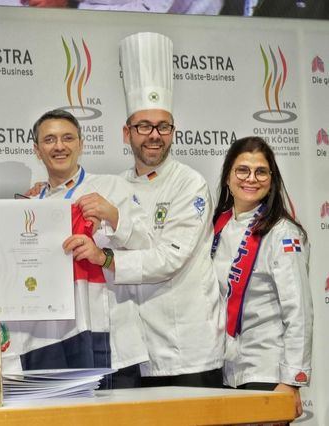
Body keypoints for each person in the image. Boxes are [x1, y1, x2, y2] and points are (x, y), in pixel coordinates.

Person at [85, 32, 224, 387]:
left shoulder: (188, 184)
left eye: (163, 126)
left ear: (173, 131)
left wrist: (108, 257)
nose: (154, 135)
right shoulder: (113, 186)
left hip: (187, 349)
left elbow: (168, 259)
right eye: (144, 126)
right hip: (135, 353)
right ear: (126, 132)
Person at [30, 108, 150, 388]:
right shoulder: (33, 206)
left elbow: (147, 246)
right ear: (37, 150)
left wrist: (113, 216)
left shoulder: (111, 187)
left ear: (81, 144)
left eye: (68, 138)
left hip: (114, 340)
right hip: (60, 342)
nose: (59, 146)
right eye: (49, 140)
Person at [212, 136, 312, 417]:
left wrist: (292, 380)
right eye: (242, 170)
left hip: (267, 372)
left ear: (271, 179)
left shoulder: (283, 233)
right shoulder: (215, 227)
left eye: (261, 171)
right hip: (222, 373)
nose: (251, 179)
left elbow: (299, 311)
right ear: (227, 178)